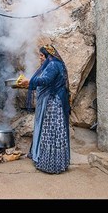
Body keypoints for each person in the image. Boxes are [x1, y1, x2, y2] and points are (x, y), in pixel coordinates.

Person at [18, 44, 71, 174]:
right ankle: (54, 161)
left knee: (51, 131)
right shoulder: (54, 63)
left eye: (42, 56)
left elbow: (46, 80)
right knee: (52, 131)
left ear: (48, 55)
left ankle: (50, 164)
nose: (40, 58)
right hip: (54, 100)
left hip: (54, 103)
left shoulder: (53, 64)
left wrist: (29, 82)